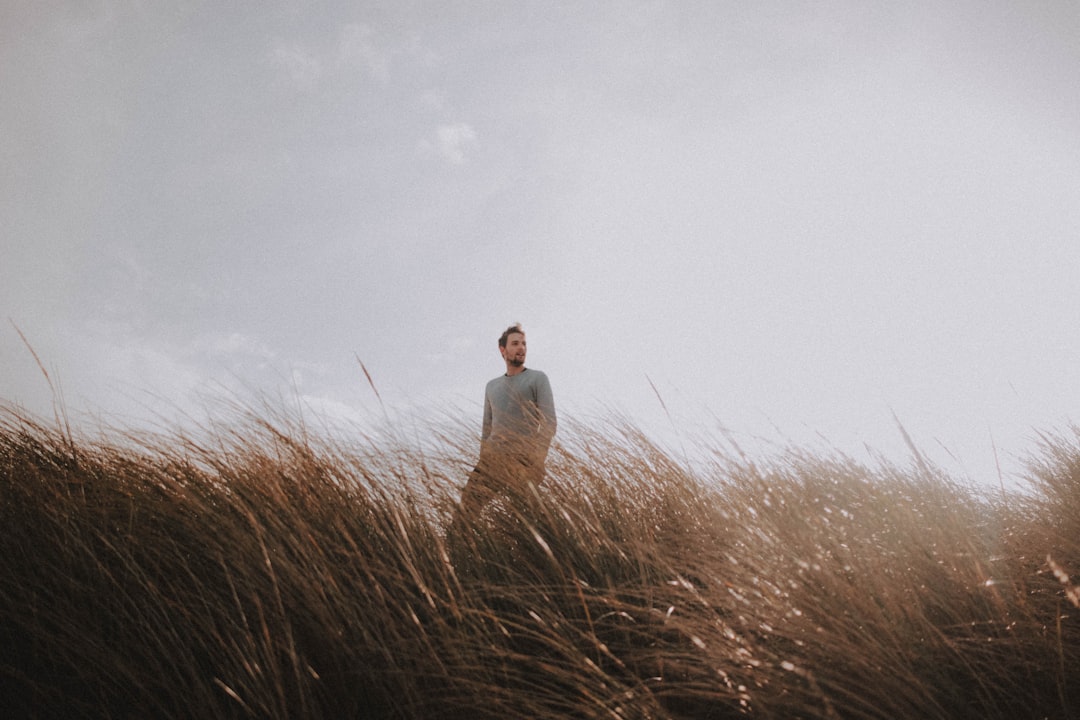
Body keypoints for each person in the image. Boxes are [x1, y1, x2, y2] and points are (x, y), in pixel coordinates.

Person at [454, 323, 557, 526]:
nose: (522, 348)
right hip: (492, 461)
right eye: (516, 343)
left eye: (524, 344)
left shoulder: (537, 378)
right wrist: (484, 460)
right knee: (465, 512)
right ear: (503, 350)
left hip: (523, 460)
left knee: (526, 521)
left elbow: (549, 422)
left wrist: (537, 461)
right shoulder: (492, 386)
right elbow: (486, 429)